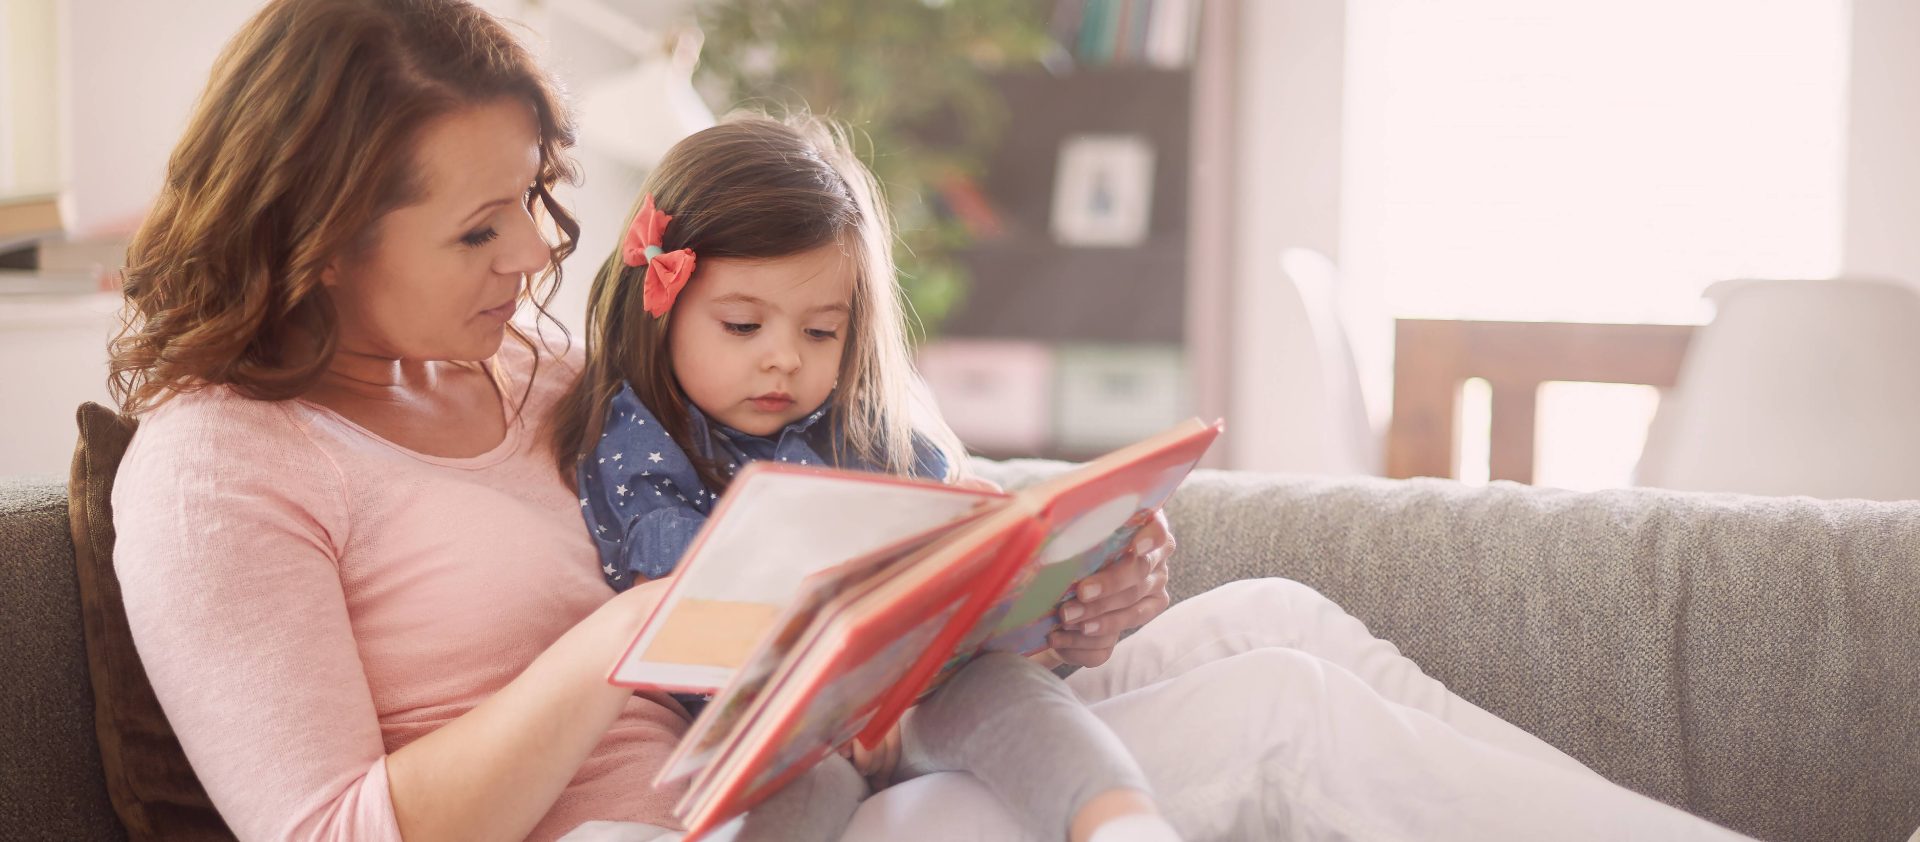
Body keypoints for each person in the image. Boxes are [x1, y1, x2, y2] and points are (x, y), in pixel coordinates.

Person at [106, 1, 1757, 840]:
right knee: (1193, 746)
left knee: (1273, 629)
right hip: (723, 819)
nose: (538, 254)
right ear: (316, 230)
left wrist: (1046, 566)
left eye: (534, 203)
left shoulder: (534, 363)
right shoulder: (219, 465)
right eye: (477, 231)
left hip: (832, 745)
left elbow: (842, 470)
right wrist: (630, 630)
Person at [557, 114, 1182, 842]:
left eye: (820, 331)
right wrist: (835, 708)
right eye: (742, 326)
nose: (785, 359)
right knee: (801, 784)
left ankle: (1120, 823)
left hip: (919, 702)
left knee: (1007, 690)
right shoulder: (641, 446)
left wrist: (1036, 577)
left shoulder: (863, 428)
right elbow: (695, 620)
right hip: (782, 737)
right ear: (659, 309)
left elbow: (958, 590)